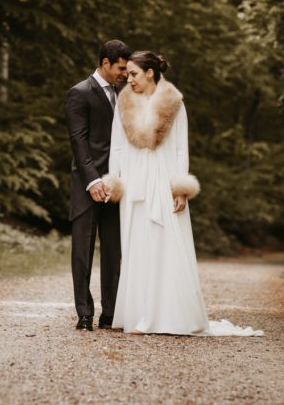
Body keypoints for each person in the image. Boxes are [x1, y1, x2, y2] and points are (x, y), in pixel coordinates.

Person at [103, 51, 262, 336]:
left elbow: (179, 150)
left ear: (150, 73)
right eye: (127, 74)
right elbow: (116, 146)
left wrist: (179, 188)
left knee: (166, 245)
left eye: (134, 73)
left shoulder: (174, 104)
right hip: (134, 184)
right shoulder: (124, 102)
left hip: (163, 182)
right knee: (137, 247)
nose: (129, 78)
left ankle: (169, 316)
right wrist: (116, 180)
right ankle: (139, 315)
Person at [65, 39, 131, 331]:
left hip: (115, 185)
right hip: (87, 184)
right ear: (106, 63)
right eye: (120, 68)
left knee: (113, 252)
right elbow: (78, 142)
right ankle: (84, 314)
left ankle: (110, 314)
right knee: (83, 250)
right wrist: (92, 180)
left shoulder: (124, 95)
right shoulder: (79, 93)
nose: (125, 74)